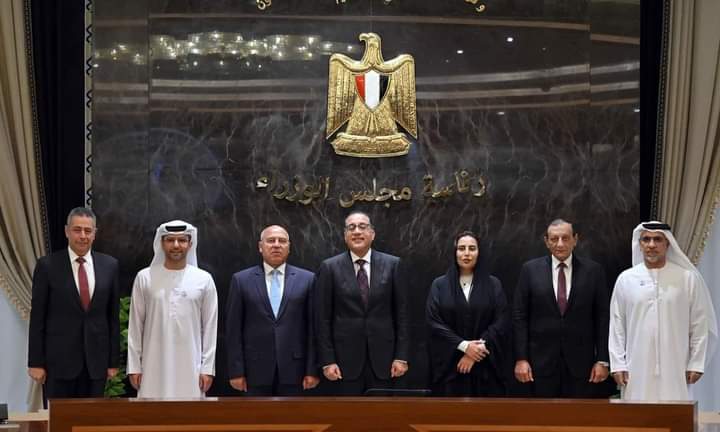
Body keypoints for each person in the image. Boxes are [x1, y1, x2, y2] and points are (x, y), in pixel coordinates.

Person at [609, 221, 718, 400]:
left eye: (657, 239)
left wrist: (696, 363)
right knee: (637, 413)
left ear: (667, 243)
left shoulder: (687, 279)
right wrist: (618, 364)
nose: (651, 245)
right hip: (636, 367)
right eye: (646, 239)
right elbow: (617, 325)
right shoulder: (626, 279)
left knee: (676, 412)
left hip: (677, 366)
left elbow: (699, 324)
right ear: (640, 244)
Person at [27, 207, 120, 398]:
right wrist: (35, 362)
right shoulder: (47, 266)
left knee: (92, 416)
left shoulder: (110, 266)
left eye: (88, 231)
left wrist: (112, 362)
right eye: (77, 230)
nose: (83, 236)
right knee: (60, 416)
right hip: (58, 364)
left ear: (94, 233)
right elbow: (37, 318)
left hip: (96, 364)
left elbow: (112, 317)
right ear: (66, 231)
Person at [513, 219, 610, 397]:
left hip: (583, 366)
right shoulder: (530, 270)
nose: (560, 244)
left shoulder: (593, 271)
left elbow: (602, 318)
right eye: (554, 239)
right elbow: (520, 316)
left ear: (575, 239)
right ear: (546, 241)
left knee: (579, 414)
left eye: (565, 238)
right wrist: (521, 358)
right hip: (539, 364)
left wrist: (602, 360)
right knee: (543, 414)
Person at [315, 211, 409, 395]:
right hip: (343, 362)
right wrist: (328, 361)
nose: (357, 231)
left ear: (372, 234)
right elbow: (322, 319)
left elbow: (403, 315)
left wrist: (401, 357)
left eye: (362, 227)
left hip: (385, 360)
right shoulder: (329, 267)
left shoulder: (393, 265)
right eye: (351, 228)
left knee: (382, 411)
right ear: (345, 236)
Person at [127, 220, 218, 398]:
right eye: (170, 240)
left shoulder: (204, 279)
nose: (176, 245)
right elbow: (136, 325)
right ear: (161, 243)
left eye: (182, 240)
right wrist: (134, 366)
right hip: (152, 366)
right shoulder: (144, 277)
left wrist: (207, 368)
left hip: (191, 368)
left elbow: (210, 327)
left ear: (190, 244)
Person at [225, 225, 319, 395]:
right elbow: (233, 330)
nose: (276, 245)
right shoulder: (241, 280)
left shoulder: (307, 279)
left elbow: (313, 328)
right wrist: (236, 371)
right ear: (260, 246)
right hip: (254, 370)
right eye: (270, 241)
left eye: (282, 241)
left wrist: (312, 370)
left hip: (295, 370)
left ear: (289, 247)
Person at [426, 231, 510, 396]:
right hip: (450, 367)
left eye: (472, 248)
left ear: (479, 252)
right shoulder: (440, 285)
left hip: (486, 366)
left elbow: (501, 320)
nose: (466, 253)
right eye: (461, 248)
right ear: (455, 252)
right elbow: (433, 321)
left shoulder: (493, 284)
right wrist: (464, 346)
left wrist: (475, 351)